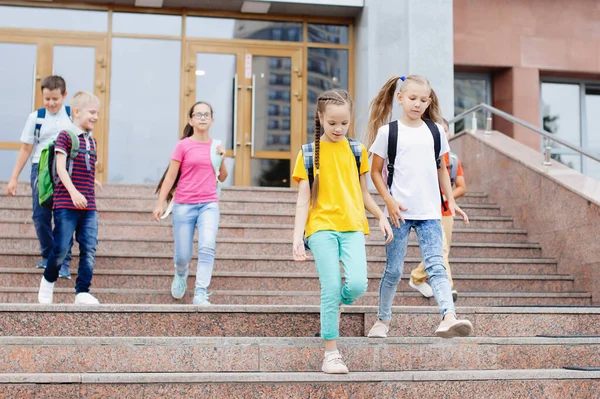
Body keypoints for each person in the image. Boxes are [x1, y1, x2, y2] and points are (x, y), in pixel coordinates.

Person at [292, 89, 393, 374]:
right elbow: (303, 199)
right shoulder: (309, 152)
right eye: (332, 123)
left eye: (344, 123)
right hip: (321, 227)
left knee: (358, 284)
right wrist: (297, 236)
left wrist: (380, 215)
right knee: (330, 287)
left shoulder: (357, 149)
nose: (338, 129)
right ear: (321, 118)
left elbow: (364, 193)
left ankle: (335, 303)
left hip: (352, 227)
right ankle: (331, 353)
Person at [365, 75, 473, 339]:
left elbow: (441, 169)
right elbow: (375, 172)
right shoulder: (388, 132)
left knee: (437, 265)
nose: (418, 104)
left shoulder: (435, 131)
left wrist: (451, 201)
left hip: (430, 213)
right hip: (398, 214)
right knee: (393, 270)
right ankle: (382, 321)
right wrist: (388, 200)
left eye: (424, 100)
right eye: (412, 98)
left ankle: (449, 316)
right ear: (400, 98)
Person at [153, 101, 227, 306]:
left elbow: (222, 176)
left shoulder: (216, 146)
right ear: (190, 119)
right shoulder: (183, 145)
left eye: (206, 115)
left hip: (209, 204)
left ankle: (201, 292)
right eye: (198, 114)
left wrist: (222, 157)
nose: (202, 118)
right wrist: (160, 203)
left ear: (212, 120)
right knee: (183, 255)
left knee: (207, 246)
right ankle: (181, 273)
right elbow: (170, 177)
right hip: (184, 205)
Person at [38, 91, 102, 304]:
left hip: (89, 205)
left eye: (97, 113)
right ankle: (48, 282)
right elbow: (61, 168)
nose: (95, 117)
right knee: (62, 247)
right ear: (77, 112)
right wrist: (74, 193)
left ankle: (82, 291)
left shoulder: (92, 141)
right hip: (66, 203)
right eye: (92, 112)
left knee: (89, 247)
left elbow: (84, 169)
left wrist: (92, 182)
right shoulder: (65, 136)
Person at [7, 75, 73, 279]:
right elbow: (26, 148)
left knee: (64, 216)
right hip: (41, 170)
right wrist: (14, 177)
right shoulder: (36, 118)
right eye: (47, 99)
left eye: (55, 98)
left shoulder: (72, 115)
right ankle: (48, 255)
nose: (51, 103)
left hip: (67, 170)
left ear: (64, 95)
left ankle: (63, 262)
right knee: (40, 215)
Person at [409, 118, 467, 301]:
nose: (441, 135)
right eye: (437, 131)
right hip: (428, 209)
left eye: (445, 131)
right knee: (441, 249)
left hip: (447, 210)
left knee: (443, 249)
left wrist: (447, 198)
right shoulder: (422, 155)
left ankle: (417, 277)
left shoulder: (454, 159)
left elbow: (461, 186)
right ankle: (448, 287)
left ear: (449, 134)